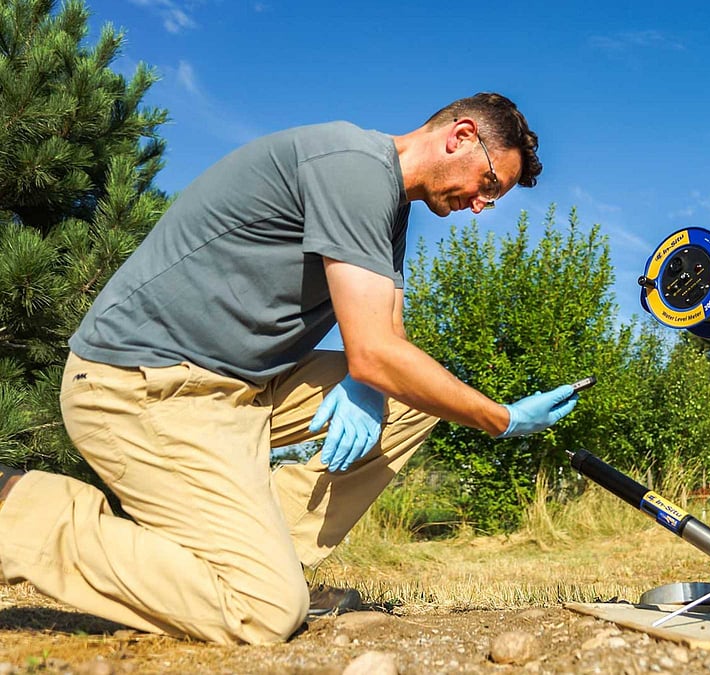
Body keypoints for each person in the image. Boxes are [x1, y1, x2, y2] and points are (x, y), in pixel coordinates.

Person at [0, 93, 579, 644]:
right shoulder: (352, 168)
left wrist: (369, 385)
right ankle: (20, 513)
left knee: (410, 397)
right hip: (143, 387)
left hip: (237, 391)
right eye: (488, 185)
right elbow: (376, 352)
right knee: (263, 611)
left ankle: (282, 560)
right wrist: (499, 418)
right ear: (461, 136)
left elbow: (387, 339)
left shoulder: (390, 209)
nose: (482, 205)